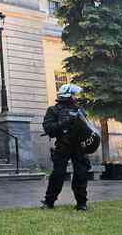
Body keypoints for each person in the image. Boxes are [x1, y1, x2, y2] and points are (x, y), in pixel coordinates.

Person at [40, 83, 90, 211]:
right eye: (73, 95)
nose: (75, 97)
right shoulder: (53, 110)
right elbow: (48, 128)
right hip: (63, 145)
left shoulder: (79, 110)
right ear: (68, 95)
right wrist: (65, 121)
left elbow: (88, 128)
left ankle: (81, 203)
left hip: (79, 146)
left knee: (81, 174)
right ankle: (49, 201)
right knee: (58, 174)